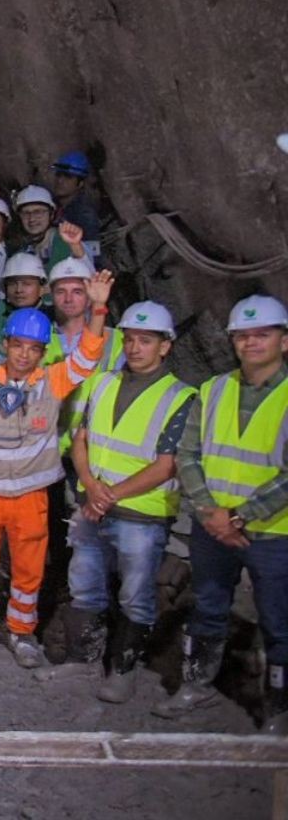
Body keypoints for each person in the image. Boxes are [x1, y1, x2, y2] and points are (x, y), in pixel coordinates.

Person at [0, 269, 114, 668]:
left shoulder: (50, 383)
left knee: (28, 568)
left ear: (42, 352)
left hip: (30, 496)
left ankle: (22, 633)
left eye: (33, 348)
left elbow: (88, 355)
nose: (24, 354)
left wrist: (99, 307)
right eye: (17, 345)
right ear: (6, 345)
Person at [157, 295, 288, 729]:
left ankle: (278, 708)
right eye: (243, 336)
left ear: (283, 341)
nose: (251, 344)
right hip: (211, 525)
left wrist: (239, 516)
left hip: (271, 532)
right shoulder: (214, 390)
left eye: (262, 335)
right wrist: (210, 512)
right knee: (207, 608)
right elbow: (188, 454)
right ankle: (195, 685)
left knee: (278, 622)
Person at [66, 301, 195, 703]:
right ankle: (81, 661)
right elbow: (80, 439)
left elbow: (167, 465)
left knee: (135, 595)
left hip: (142, 514)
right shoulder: (101, 382)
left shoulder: (180, 397)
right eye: (130, 339)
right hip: (93, 503)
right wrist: (88, 483)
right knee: (84, 585)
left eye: (146, 340)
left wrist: (107, 496)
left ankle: (122, 670)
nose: (135, 348)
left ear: (165, 346)